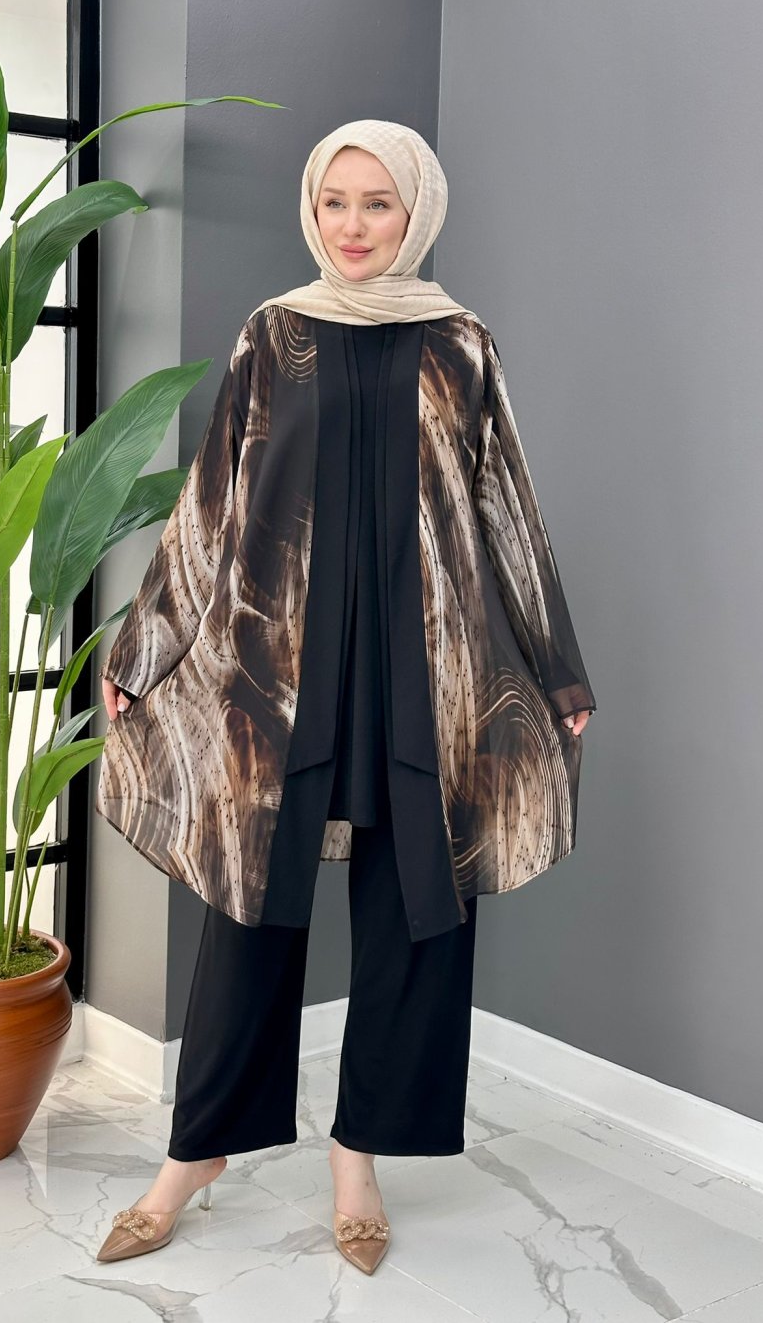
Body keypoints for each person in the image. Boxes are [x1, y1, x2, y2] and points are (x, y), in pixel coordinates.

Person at [94, 119, 596, 1275]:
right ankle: (195, 1154)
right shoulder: (274, 336)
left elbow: (507, 510)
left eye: (378, 203)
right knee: (248, 912)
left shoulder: (460, 344)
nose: (354, 227)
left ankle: (356, 1156)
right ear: (312, 211)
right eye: (335, 202)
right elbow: (210, 510)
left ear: (417, 211)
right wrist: (142, 647)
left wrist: (555, 665)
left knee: (415, 903)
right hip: (277, 678)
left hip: (424, 675)